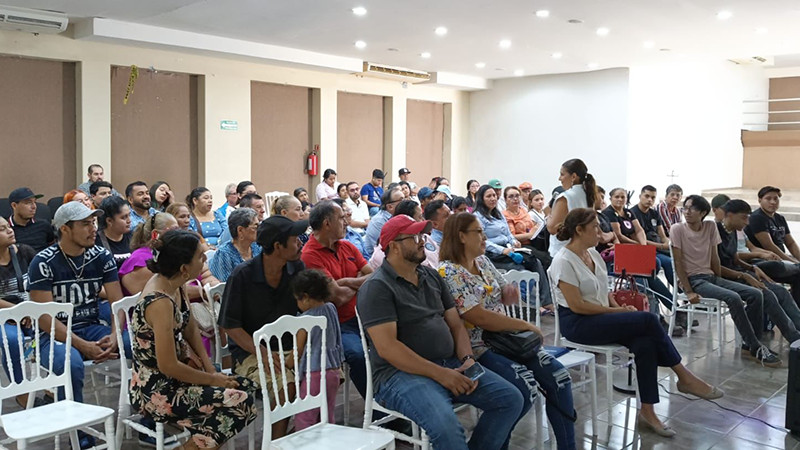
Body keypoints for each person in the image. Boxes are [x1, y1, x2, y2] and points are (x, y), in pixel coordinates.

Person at [549, 208, 723, 439]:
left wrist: (619, 308)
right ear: (579, 230)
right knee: (648, 319)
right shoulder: (563, 261)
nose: (600, 232)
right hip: (578, 323)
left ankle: (647, 412)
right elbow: (578, 305)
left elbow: (605, 291)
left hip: (600, 317)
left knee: (645, 343)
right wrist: (617, 312)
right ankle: (684, 376)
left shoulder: (593, 254)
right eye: (595, 227)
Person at [357, 214, 524, 450]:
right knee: (447, 429)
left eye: (422, 236)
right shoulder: (377, 287)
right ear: (394, 246)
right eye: (415, 237)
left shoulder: (431, 276)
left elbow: (455, 324)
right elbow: (388, 348)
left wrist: (467, 359)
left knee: (510, 399)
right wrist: (441, 374)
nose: (422, 242)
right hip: (399, 374)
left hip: (448, 363)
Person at [438, 212, 576, 450]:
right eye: (478, 232)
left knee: (559, 378)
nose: (485, 237)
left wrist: (509, 293)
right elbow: (478, 317)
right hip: (478, 346)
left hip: (507, 339)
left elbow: (504, 290)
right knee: (524, 390)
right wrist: (525, 325)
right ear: (461, 236)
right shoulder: (448, 272)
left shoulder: (482, 261)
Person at [129, 229, 257, 449]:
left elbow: (190, 330)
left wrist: (210, 369)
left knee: (246, 387)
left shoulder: (176, 283)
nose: (205, 258)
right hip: (157, 390)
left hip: (180, 375)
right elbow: (168, 365)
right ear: (184, 268)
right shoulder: (159, 302)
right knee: (239, 403)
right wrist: (212, 380)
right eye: (199, 256)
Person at [28, 202, 130, 449]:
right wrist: (83, 346)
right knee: (71, 363)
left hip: (91, 326)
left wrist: (115, 335)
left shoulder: (101, 256)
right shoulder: (43, 262)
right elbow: (44, 318)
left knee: (138, 344)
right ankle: (79, 436)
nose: (93, 229)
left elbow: (117, 303)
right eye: (85, 224)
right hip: (51, 334)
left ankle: (148, 414)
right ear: (65, 229)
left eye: (93, 222)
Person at [218, 215, 307, 439]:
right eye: (295, 239)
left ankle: (300, 434)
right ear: (277, 246)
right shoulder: (243, 275)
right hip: (251, 352)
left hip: (291, 346)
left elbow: (307, 308)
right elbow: (230, 326)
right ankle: (275, 441)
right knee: (285, 385)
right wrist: (262, 352)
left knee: (328, 372)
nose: (300, 243)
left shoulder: (296, 268)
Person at [671, 195, 781, 367]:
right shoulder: (677, 229)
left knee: (756, 294)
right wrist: (689, 291)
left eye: (692, 208)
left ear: (703, 213)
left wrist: (721, 280)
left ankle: (751, 343)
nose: (687, 212)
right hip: (694, 280)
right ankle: (756, 347)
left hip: (711, 277)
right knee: (733, 297)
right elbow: (678, 262)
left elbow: (715, 258)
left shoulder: (710, 227)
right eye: (685, 208)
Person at [301, 201, 373, 400]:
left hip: (364, 316)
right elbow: (338, 298)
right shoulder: (310, 255)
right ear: (327, 223)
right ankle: (376, 408)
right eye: (341, 218)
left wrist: (347, 281)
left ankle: (394, 399)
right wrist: (358, 279)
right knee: (357, 355)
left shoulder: (347, 246)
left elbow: (374, 276)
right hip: (337, 325)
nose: (346, 222)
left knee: (397, 340)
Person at [717, 199, 800, 344]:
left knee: (781, 292)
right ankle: (792, 338)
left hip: (740, 272)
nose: (747, 222)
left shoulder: (734, 231)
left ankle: (797, 331)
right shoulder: (715, 231)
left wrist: (753, 268)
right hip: (726, 276)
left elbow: (735, 259)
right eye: (744, 217)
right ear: (729, 215)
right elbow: (715, 266)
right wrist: (745, 275)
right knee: (767, 294)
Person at [474, 184, 554, 308]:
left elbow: (508, 234)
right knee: (520, 270)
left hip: (509, 249)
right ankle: (528, 306)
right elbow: (483, 241)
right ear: (481, 199)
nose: (493, 198)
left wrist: (514, 242)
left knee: (536, 262)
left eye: (494, 195)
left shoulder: (498, 214)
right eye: (488, 196)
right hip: (493, 253)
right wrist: (503, 250)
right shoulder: (478, 216)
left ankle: (546, 302)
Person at [604, 188, 676, 320]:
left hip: (632, 252)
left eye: (623, 197)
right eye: (617, 197)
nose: (620, 199)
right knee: (646, 277)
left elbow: (639, 230)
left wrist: (643, 247)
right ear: (610, 198)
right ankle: (660, 314)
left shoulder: (628, 212)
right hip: (619, 255)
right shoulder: (609, 213)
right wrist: (637, 245)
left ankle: (667, 311)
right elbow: (618, 235)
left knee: (651, 271)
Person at [287, 269, 345, 430]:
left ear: (305, 297)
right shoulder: (331, 309)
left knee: (305, 418)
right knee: (327, 414)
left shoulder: (305, 320)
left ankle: (307, 442)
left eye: (297, 299)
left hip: (314, 374)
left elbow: (297, 351)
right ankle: (328, 440)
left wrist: (287, 365)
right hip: (333, 371)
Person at [120, 212, 219, 298]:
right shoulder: (141, 260)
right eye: (174, 230)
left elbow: (206, 273)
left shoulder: (176, 251)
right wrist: (206, 291)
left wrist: (213, 285)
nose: (179, 234)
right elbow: (169, 290)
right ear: (155, 234)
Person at [0, 217, 38, 408]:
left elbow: (40, 283)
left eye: (8, 226)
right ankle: (21, 391)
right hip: (4, 316)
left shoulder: (25, 252)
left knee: (48, 333)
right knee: (13, 341)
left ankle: (49, 384)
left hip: (29, 311)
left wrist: (31, 309)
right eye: (2, 229)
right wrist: (18, 312)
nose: (10, 230)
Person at [745, 186, 800, 304]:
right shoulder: (757, 218)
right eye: (768, 198)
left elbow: (790, 243)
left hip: (782, 260)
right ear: (760, 200)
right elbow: (769, 246)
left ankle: (794, 309)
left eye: (776, 199)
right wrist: (792, 262)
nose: (773, 202)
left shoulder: (780, 218)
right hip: (764, 261)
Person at [546, 158, 597, 258]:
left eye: (562, 174)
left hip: (565, 253)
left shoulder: (565, 198)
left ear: (573, 176)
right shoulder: (589, 195)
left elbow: (552, 228)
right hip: (586, 252)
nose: (559, 178)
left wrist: (549, 217)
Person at [209, 208, 262, 282]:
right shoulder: (224, 254)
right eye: (256, 226)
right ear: (240, 230)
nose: (259, 229)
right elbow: (226, 285)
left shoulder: (257, 247)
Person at [8, 187, 54, 252]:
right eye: (28, 202)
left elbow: (53, 247)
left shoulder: (44, 225)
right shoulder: (6, 229)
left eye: (35, 202)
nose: (34, 206)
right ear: (14, 205)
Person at [363, 187, 403, 256]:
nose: (406, 202)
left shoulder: (399, 217)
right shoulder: (378, 222)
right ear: (390, 207)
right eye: (402, 200)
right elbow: (385, 249)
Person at [97, 195, 132, 268]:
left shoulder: (133, 237)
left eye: (129, 215)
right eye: (124, 217)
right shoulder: (96, 242)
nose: (129, 220)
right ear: (109, 221)